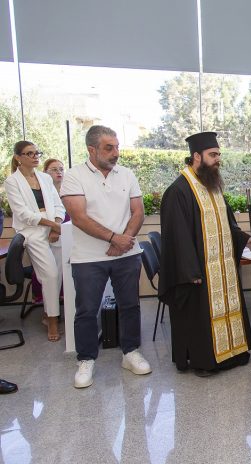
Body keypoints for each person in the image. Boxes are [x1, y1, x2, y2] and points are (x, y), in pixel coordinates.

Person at [159, 132, 251, 377]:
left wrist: (243, 238)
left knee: (228, 307)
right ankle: (204, 360)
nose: (217, 159)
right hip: (198, 272)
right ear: (196, 156)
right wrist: (190, 271)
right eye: (213, 155)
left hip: (223, 267)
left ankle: (233, 352)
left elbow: (227, 222)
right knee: (200, 315)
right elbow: (177, 237)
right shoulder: (179, 190)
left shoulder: (212, 185)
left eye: (218, 155)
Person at [61, 125, 151, 389]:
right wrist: (114, 238)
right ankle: (86, 360)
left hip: (126, 253)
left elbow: (138, 212)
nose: (116, 153)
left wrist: (123, 241)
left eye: (117, 147)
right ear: (92, 149)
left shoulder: (127, 174)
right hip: (88, 258)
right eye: (109, 148)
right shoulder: (74, 176)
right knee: (87, 310)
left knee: (130, 305)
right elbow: (79, 217)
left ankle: (131, 352)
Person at [5, 142, 65, 342]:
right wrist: (51, 224)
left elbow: (58, 204)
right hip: (32, 231)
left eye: (36, 152)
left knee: (58, 274)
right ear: (18, 158)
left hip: (54, 229)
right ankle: (53, 320)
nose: (35, 156)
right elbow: (22, 213)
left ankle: (48, 314)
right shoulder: (12, 182)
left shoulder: (45, 178)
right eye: (29, 153)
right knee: (50, 274)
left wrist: (56, 225)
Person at [31, 158, 68, 313]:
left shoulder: (69, 192)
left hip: (67, 240)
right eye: (54, 169)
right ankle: (50, 312)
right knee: (51, 273)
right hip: (44, 239)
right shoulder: (39, 193)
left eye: (61, 169)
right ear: (45, 173)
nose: (59, 172)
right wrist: (54, 229)